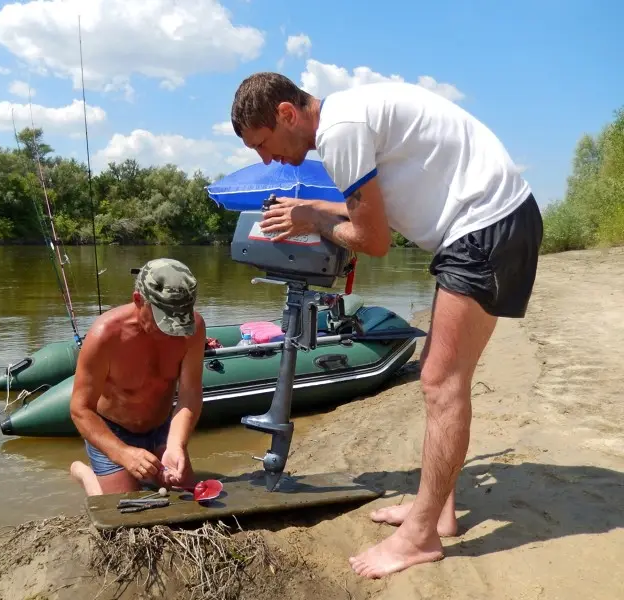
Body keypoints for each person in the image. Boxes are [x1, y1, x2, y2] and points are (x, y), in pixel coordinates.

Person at [229, 72, 543, 578]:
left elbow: (373, 240)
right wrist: (315, 211)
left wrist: (315, 220)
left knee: (442, 383)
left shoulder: (337, 132)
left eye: (264, 144)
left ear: (287, 114)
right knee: (439, 379)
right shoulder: (352, 115)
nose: (268, 159)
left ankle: (419, 538)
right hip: (489, 224)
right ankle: (436, 511)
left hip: (484, 227)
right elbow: (373, 212)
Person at [69, 258, 206, 496]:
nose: (170, 332)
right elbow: (80, 409)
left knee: (188, 498)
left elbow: (190, 394)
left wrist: (176, 444)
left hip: (162, 426)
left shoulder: (193, 328)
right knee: (124, 516)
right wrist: (122, 453)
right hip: (114, 432)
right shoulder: (105, 335)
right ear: (138, 300)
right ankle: (84, 473)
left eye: (178, 322)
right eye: (163, 321)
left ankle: (154, 462)